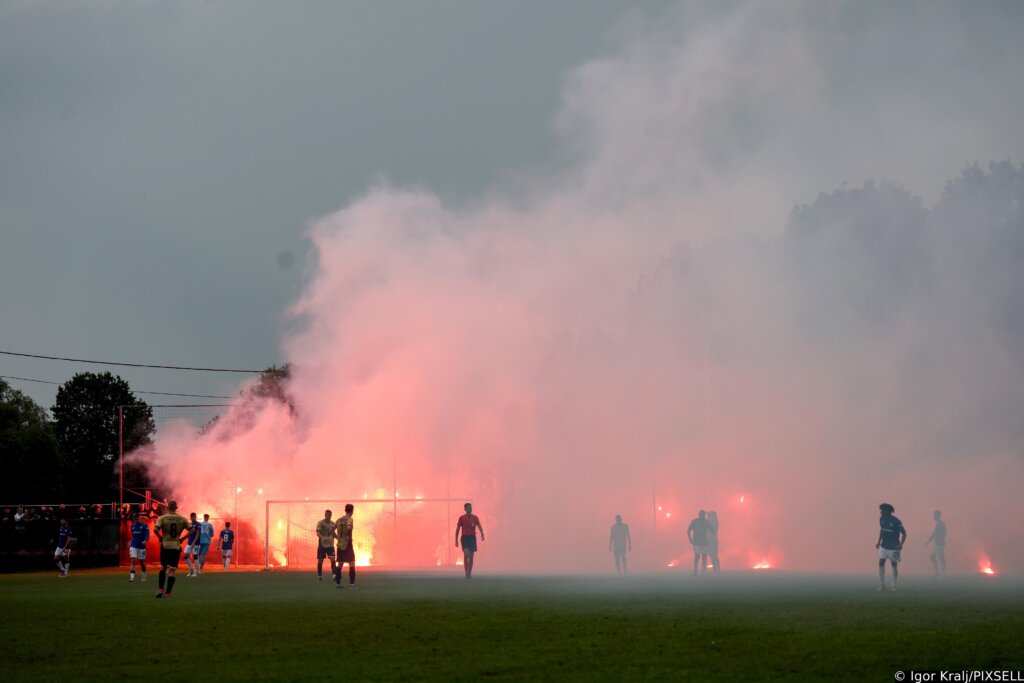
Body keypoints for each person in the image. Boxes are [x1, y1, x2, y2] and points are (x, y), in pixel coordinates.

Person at [153, 500, 191, 598]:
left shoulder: (162, 518)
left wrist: (160, 538)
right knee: (172, 571)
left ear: (167, 507)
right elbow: (193, 530)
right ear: (176, 508)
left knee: (163, 567)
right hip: (175, 546)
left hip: (165, 546)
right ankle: (168, 593)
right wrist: (182, 538)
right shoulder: (182, 519)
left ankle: (161, 589)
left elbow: (155, 529)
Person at [876, 503, 907, 591]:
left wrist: (901, 544)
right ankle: (882, 585)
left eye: (882, 510)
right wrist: (878, 542)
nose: (881, 512)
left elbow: (904, 533)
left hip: (894, 548)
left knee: (894, 565)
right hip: (883, 547)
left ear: (888, 511)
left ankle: (893, 585)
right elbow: (882, 530)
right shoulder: (881, 519)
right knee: (881, 563)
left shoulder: (896, 521)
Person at [455, 503, 485, 578]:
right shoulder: (462, 518)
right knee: (466, 554)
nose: (470, 509)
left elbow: (479, 525)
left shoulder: (475, 517)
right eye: (468, 508)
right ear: (465, 509)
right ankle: (466, 571)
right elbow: (458, 528)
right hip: (465, 538)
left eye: (470, 508)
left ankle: (469, 573)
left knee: (471, 557)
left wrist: (482, 533)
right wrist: (456, 539)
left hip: (472, 538)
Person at [334, 504, 357, 590]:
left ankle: (338, 583)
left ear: (345, 510)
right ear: (352, 511)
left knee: (340, 564)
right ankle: (352, 584)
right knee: (352, 563)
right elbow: (349, 527)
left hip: (340, 544)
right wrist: (348, 535)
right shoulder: (350, 519)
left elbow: (331, 530)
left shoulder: (339, 520)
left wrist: (338, 538)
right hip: (347, 544)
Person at [315, 509, 337, 581]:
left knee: (332, 559)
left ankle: (334, 574)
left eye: (330, 515)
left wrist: (339, 539)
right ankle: (319, 575)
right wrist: (322, 538)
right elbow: (318, 533)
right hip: (322, 545)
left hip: (330, 545)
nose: (329, 517)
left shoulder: (333, 524)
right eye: (328, 515)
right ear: (325, 515)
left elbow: (333, 533)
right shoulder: (320, 523)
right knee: (320, 560)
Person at [687, 510, 711, 576]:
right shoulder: (695, 522)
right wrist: (690, 539)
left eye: (704, 515)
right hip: (697, 542)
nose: (703, 516)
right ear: (699, 515)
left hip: (704, 542)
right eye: (702, 515)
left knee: (704, 557)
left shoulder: (706, 522)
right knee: (697, 557)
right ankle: (695, 571)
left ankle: (703, 572)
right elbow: (688, 530)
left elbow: (711, 530)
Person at [128, 512, 150, 582]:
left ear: (139, 518)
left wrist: (145, 540)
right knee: (133, 560)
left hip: (141, 546)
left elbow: (147, 535)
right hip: (133, 545)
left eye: (137, 517)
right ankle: (132, 577)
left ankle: (144, 575)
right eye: (135, 518)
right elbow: (133, 535)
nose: (136, 519)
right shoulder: (132, 526)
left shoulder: (144, 526)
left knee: (142, 562)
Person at [925, 509, 947, 578]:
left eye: (934, 515)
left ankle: (943, 574)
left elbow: (944, 533)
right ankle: (937, 573)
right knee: (933, 556)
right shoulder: (938, 524)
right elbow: (935, 534)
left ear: (937, 516)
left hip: (939, 543)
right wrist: (928, 541)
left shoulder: (941, 524)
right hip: (937, 543)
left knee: (941, 557)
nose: (933, 516)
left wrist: (940, 539)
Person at [184, 512, 201, 577]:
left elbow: (198, 533)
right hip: (189, 543)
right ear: (190, 518)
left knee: (195, 556)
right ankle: (191, 569)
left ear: (195, 517)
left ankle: (195, 572)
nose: (194, 518)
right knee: (185, 556)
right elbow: (189, 533)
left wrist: (194, 541)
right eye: (192, 517)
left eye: (194, 517)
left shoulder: (198, 524)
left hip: (196, 543)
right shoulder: (190, 524)